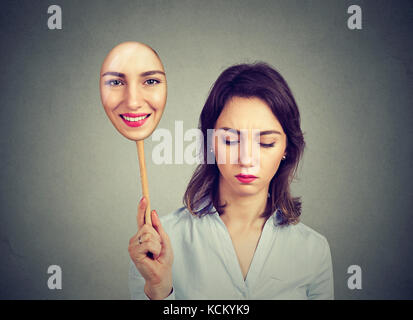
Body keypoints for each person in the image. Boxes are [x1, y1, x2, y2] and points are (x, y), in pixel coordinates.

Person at [128, 62, 334, 300]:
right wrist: (158, 289)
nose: (246, 159)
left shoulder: (313, 251)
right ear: (211, 142)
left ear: (287, 147)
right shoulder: (159, 246)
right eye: (229, 140)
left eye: (266, 143)